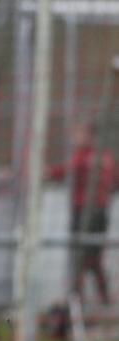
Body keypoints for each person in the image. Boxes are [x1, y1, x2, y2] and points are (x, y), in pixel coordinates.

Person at [47, 120, 116, 306]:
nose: (74, 138)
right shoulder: (106, 156)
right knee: (93, 258)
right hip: (101, 212)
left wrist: (45, 173)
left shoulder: (83, 156)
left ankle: (79, 301)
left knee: (82, 258)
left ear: (89, 136)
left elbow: (63, 171)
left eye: (78, 134)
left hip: (84, 212)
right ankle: (100, 299)